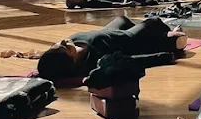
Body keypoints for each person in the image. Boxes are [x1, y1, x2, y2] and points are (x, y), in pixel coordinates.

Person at [36, 16, 183, 81]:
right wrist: (163, 57)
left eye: (57, 44)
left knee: (122, 20)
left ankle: (164, 36)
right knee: (154, 22)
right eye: (64, 47)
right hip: (127, 39)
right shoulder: (96, 60)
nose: (63, 41)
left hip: (109, 32)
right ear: (72, 59)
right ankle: (170, 35)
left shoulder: (71, 45)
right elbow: (129, 60)